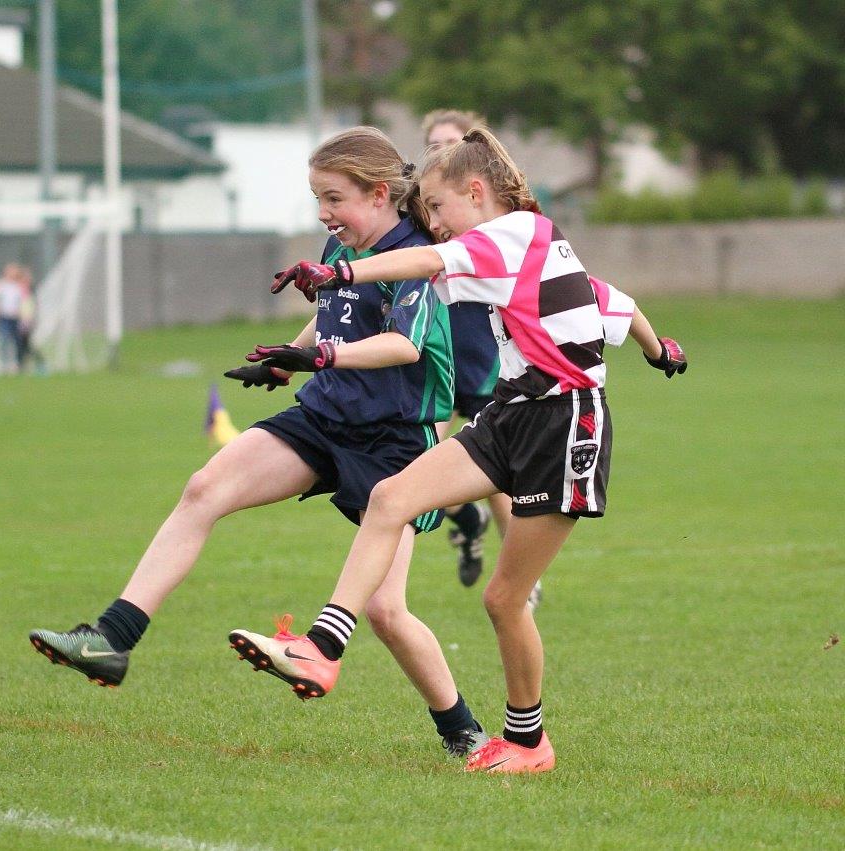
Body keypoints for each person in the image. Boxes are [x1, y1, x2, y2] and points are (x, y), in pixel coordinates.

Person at [232, 126, 687, 773]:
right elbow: (617, 302)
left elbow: (424, 262)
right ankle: (322, 648)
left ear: (477, 192)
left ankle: (529, 743)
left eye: (439, 208)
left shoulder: (516, 231)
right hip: (509, 414)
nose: (434, 223)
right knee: (390, 497)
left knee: (504, 598)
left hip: (565, 427)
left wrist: (340, 268)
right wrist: (658, 349)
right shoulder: (533, 253)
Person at [29, 126, 488, 758]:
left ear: (380, 194)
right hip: (325, 416)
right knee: (204, 489)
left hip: (393, 442)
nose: (324, 215)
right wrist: (289, 358)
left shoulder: (416, 254)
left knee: (385, 612)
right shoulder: (342, 244)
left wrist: (320, 356)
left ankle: (460, 729)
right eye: (317, 200)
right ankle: (112, 639)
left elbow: (402, 345)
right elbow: (334, 313)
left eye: (334, 199)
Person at [421, 110, 538, 609]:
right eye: (431, 144)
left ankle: (524, 582)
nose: (437, 152)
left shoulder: (498, 221)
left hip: (488, 355)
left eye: (447, 143)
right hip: (438, 356)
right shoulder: (427, 213)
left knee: (499, 477)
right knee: (420, 463)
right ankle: (465, 521)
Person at [0, 262, 27, 374]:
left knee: (19, 342)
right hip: (3, 317)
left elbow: (27, 303)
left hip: (18, 318)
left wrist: (26, 318)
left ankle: (19, 364)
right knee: (3, 339)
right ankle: (4, 365)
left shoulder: (21, 285)